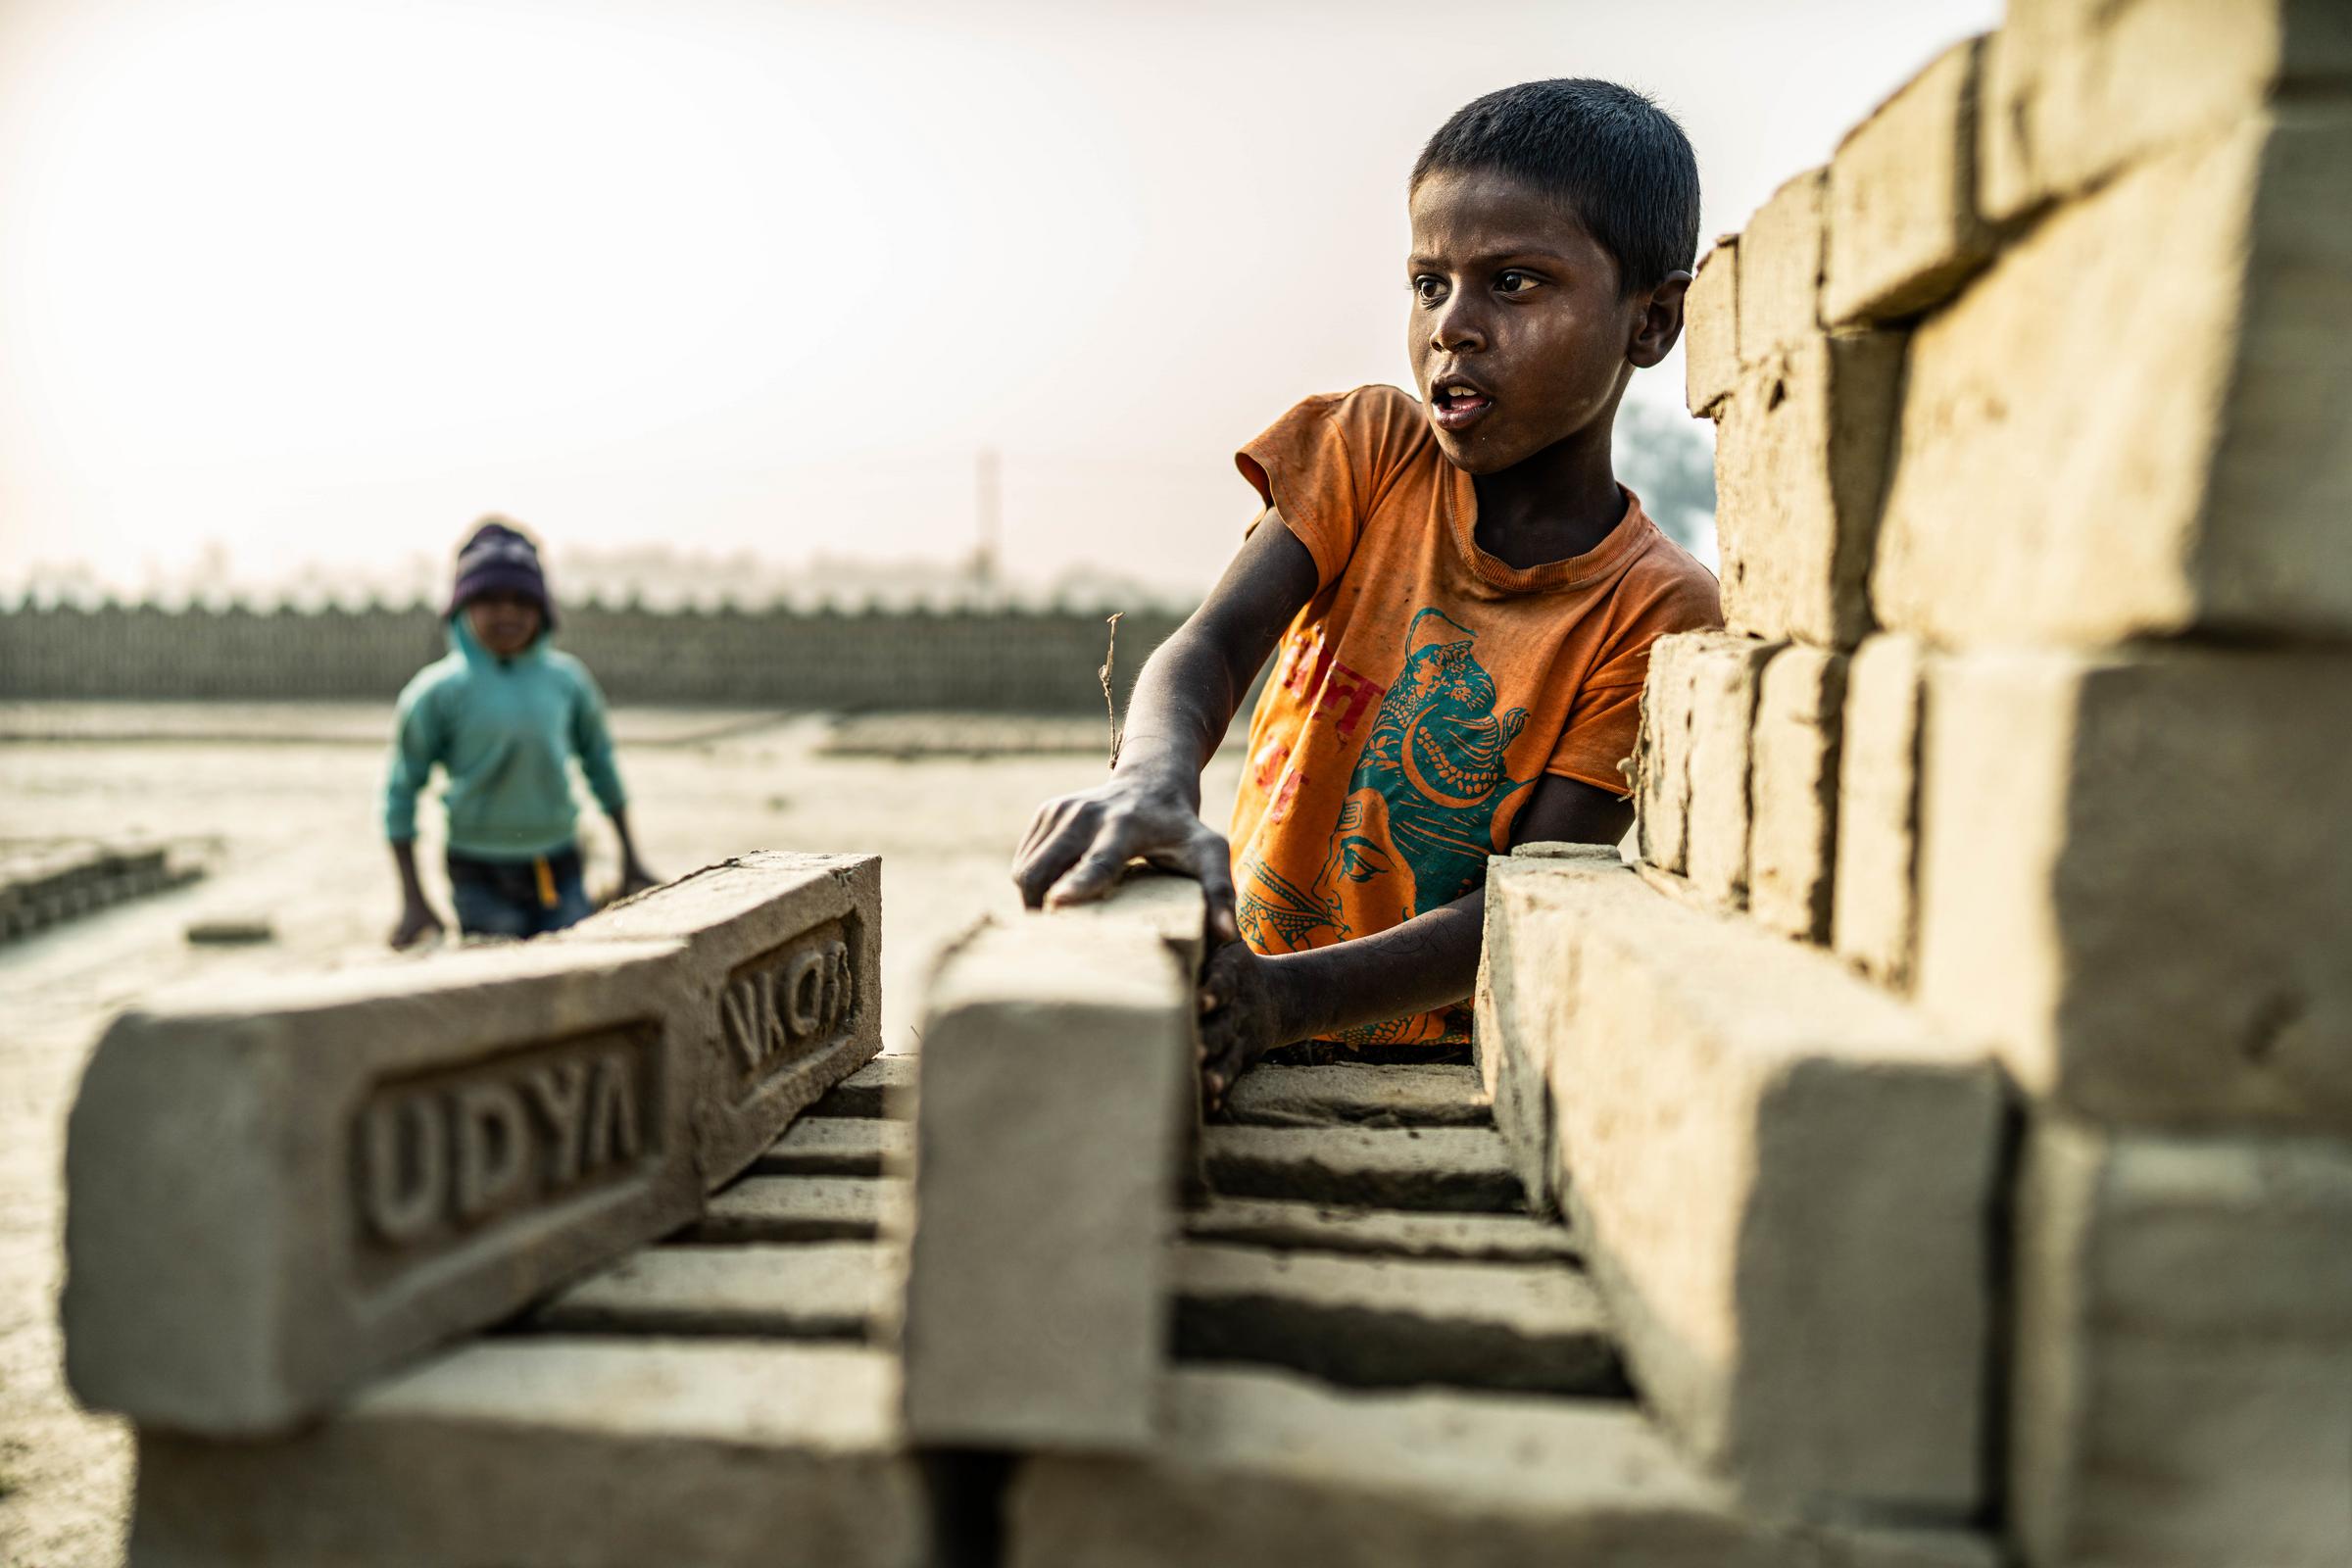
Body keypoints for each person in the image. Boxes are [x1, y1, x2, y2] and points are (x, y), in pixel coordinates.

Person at [1012, 79, 1723, 1104]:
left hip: (1438, 1085)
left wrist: (1283, 1002)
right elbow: (1206, 650)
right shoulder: (1370, 451)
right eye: (1429, 284)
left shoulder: (1657, 609)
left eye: (1514, 284)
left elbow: (1521, 901)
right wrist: (1151, 778)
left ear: (1651, 322)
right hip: (1235, 1023)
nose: (1454, 328)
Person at [384, 518, 657, 945]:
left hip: (559, 865)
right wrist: (414, 899)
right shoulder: (436, 694)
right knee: (497, 981)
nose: (507, 612)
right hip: (478, 871)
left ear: (543, 611)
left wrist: (631, 859)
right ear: (461, 608)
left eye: (521, 601)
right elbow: (400, 797)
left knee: (570, 976)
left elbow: (601, 767)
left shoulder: (567, 683)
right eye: (489, 600)